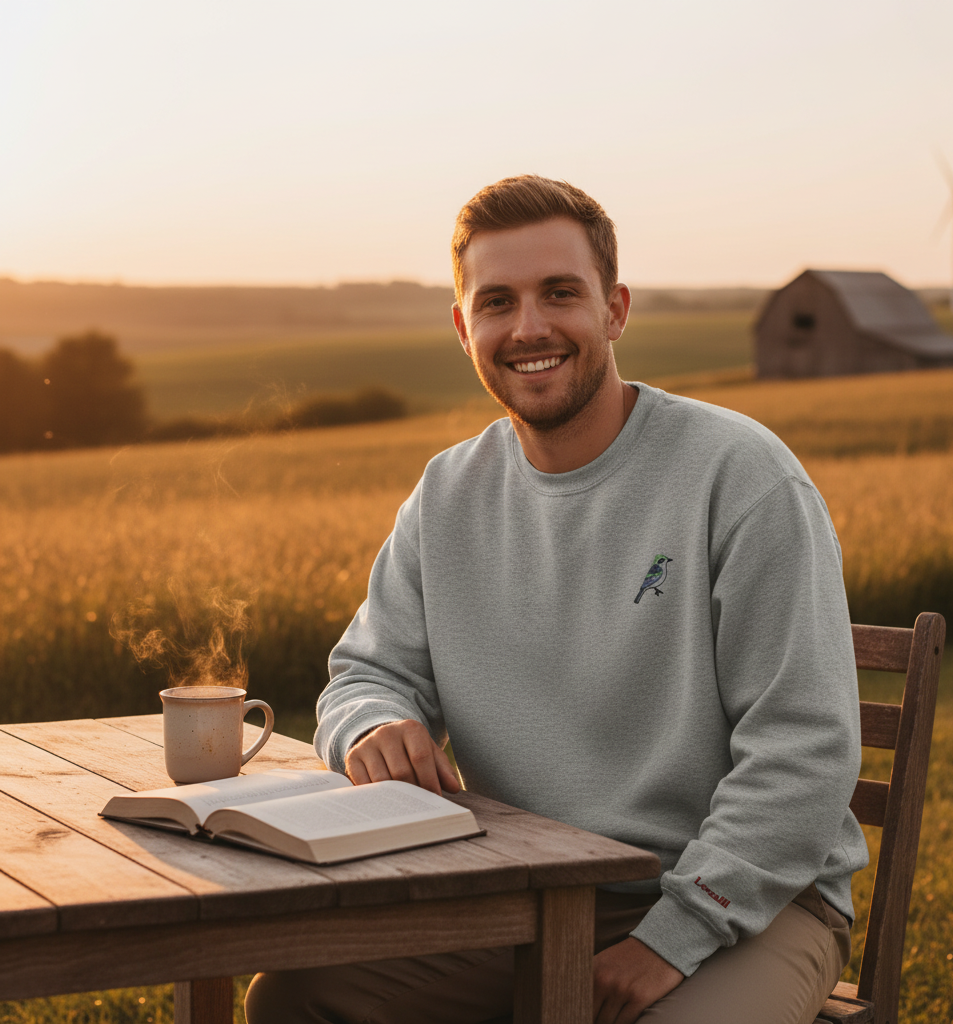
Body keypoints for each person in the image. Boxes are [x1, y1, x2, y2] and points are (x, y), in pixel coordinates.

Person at [246, 175, 869, 1024]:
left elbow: (806, 751)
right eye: (498, 301)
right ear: (466, 328)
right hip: (527, 896)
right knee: (296, 998)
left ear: (613, 310)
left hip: (748, 905)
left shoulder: (741, 477)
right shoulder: (447, 494)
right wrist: (372, 725)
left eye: (560, 293)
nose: (529, 327)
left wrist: (670, 937)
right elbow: (363, 672)